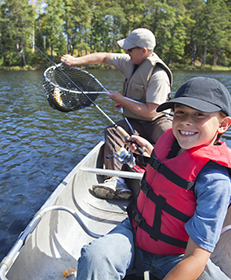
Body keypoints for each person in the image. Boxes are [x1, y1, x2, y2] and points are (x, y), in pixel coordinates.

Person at [75, 77, 231, 280]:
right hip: (135, 233)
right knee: (95, 258)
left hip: (178, 254)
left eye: (199, 114)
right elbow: (172, 171)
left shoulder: (216, 182)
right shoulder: (170, 140)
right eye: (180, 112)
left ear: (223, 125)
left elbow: (196, 256)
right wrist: (150, 152)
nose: (186, 121)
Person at [61, 28, 173, 200]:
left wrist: (121, 99)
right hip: (134, 120)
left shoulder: (159, 75)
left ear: (143, 51)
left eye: (130, 49)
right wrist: (75, 61)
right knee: (113, 132)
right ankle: (115, 181)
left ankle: (174, 180)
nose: (126, 52)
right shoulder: (130, 61)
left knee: (172, 138)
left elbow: (151, 112)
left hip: (157, 120)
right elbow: (104, 57)